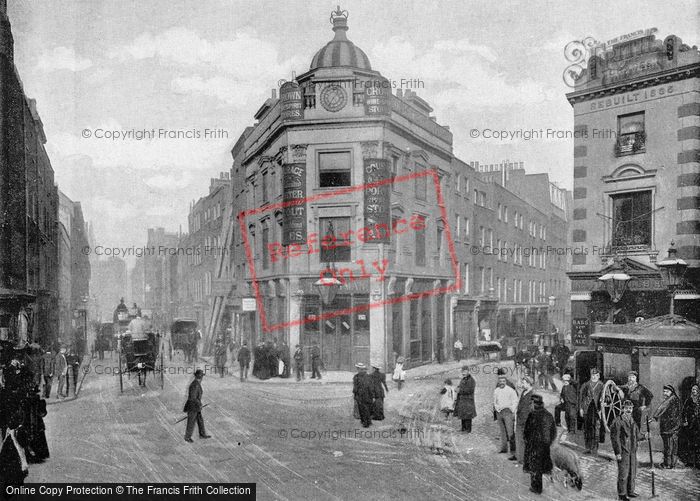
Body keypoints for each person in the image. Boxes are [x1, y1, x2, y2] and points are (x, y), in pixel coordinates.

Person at [523, 394, 557, 495]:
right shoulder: (548, 414)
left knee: (535, 467)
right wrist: (549, 442)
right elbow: (553, 431)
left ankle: (536, 488)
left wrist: (527, 440)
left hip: (534, 445)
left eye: (531, 403)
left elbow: (526, 430)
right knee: (541, 465)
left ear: (534, 404)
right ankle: (540, 485)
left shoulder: (532, 415)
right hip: (545, 445)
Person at [610, 400, 644, 501]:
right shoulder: (617, 421)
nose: (628, 410)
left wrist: (645, 436)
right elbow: (615, 439)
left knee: (632, 472)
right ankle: (622, 494)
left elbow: (637, 435)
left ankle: (630, 491)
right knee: (623, 473)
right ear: (622, 409)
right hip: (623, 451)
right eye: (626, 408)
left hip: (632, 451)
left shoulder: (633, 421)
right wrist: (617, 453)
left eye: (630, 408)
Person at [653, 384, 681, 469]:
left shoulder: (670, 400)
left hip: (670, 427)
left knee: (669, 446)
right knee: (673, 446)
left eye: (667, 391)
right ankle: (673, 463)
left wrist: (655, 416)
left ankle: (668, 464)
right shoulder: (675, 399)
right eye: (664, 391)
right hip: (674, 427)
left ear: (671, 392)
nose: (664, 393)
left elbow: (662, 407)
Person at [579, 367, 604, 454]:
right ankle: (588, 447)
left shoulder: (601, 385)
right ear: (591, 375)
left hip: (597, 409)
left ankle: (595, 448)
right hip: (587, 408)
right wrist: (581, 408)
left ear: (599, 376)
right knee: (587, 428)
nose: (594, 377)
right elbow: (581, 397)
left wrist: (603, 400)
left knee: (596, 428)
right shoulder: (586, 385)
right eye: (593, 375)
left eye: (596, 375)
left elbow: (606, 396)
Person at [493, 373, 518, 460]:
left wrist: (512, 409)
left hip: (508, 412)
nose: (502, 383)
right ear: (498, 382)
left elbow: (515, 401)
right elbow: (494, 401)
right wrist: (497, 409)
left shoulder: (511, 390)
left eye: (503, 381)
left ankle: (513, 451)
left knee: (510, 432)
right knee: (502, 432)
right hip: (499, 412)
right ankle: (504, 448)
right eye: (500, 381)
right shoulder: (496, 391)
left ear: (506, 382)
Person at [183, 369, 211, 442]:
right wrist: (199, 404)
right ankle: (187, 437)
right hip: (192, 406)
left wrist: (199, 404)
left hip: (196, 406)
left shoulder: (197, 383)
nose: (202, 378)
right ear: (200, 377)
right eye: (201, 376)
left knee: (200, 420)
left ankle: (202, 434)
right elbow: (193, 397)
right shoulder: (195, 385)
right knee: (191, 422)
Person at [680, 383, 700, 468]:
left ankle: (698, 462)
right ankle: (690, 461)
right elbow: (684, 411)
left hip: (698, 425)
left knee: (698, 444)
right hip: (691, 425)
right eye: (692, 390)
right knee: (690, 443)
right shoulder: (689, 400)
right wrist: (685, 421)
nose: (694, 391)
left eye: (695, 390)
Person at [515, 375, 534, 464]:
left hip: (527, 421)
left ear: (529, 383)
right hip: (520, 419)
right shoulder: (523, 392)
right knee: (520, 439)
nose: (522, 384)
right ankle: (521, 459)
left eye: (524, 383)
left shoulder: (533, 395)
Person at [455, 366, 476, 432]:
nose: (463, 373)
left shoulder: (471, 380)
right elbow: (460, 386)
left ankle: (468, 429)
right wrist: (457, 388)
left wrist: (459, 391)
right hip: (462, 400)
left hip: (468, 400)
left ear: (468, 371)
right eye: (462, 371)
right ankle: (463, 428)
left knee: (468, 415)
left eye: (465, 371)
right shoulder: (463, 379)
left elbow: (469, 390)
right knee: (462, 414)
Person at [353, 363, 374, 428]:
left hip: (360, 395)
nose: (358, 370)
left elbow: (355, 387)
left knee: (362, 408)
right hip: (367, 394)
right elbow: (371, 386)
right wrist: (372, 394)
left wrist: (355, 393)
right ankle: (368, 421)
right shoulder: (368, 376)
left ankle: (365, 422)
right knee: (367, 408)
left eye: (358, 369)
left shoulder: (356, 377)